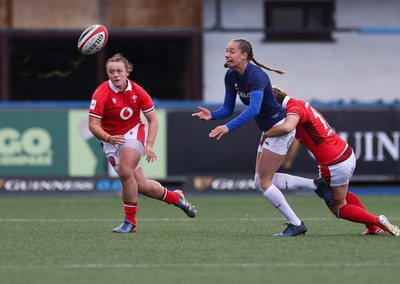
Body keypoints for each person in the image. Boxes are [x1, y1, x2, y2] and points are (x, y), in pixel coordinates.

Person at [192, 38, 307, 237]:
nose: (227, 55)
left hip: (280, 129)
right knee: (259, 182)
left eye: (232, 51)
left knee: (264, 183)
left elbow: (254, 109)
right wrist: (213, 115)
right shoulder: (231, 76)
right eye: (226, 51)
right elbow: (228, 108)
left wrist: (228, 127)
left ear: (244, 56)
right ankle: (315, 185)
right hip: (269, 130)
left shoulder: (256, 76)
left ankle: (296, 223)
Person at [263, 87, 400, 236]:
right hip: (345, 153)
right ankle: (373, 227)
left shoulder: (293, 109)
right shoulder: (298, 104)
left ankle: (376, 221)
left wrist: (267, 134)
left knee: (337, 207)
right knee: (342, 194)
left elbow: (288, 127)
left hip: (333, 163)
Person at [88, 53, 196, 233]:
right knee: (142, 186)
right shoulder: (101, 93)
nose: (115, 75)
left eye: (119, 71)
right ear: (107, 73)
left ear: (127, 72)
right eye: (111, 71)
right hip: (111, 140)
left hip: (133, 133)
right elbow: (93, 125)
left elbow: (152, 120)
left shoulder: (138, 92)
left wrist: (149, 144)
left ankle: (130, 222)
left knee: (124, 171)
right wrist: (108, 138)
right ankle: (176, 198)